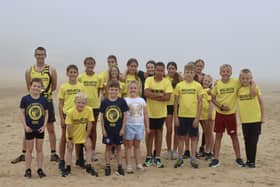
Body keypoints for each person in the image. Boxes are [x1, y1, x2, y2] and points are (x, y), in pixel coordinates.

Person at [12, 47, 59, 164]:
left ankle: (53, 153)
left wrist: (43, 96)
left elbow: (53, 86)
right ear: (35, 55)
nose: (40, 56)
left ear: (45, 55)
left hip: (46, 101)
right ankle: (23, 153)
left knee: (50, 128)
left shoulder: (51, 69)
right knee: (28, 128)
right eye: (38, 54)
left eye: (42, 54)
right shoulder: (29, 70)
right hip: (33, 103)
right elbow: (29, 86)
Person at [209, 64, 245, 167]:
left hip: (231, 115)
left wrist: (253, 84)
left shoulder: (236, 82)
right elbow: (212, 98)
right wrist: (220, 106)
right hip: (220, 114)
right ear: (220, 73)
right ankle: (216, 159)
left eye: (227, 71)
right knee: (218, 136)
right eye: (223, 71)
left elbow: (247, 81)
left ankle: (238, 158)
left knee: (234, 136)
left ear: (231, 73)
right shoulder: (217, 84)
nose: (225, 73)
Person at [143, 62, 173, 168]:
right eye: (157, 70)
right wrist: (159, 95)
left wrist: (153, 96)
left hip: (161, 113)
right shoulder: (148, 80)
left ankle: (158, 157)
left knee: (159, 134)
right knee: (149, 134)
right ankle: (148, 156)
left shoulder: (167, 82)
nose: (159, 72)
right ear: (154, 70)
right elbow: (146, 93)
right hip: (149, 113)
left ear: (163, 71)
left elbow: (167, 97)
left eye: (161, 70)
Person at [173, 63, 203, 169]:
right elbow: (176, 103)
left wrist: (197, 118)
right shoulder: (179, 85)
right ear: (184, 73)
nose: (189, 74)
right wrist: (175, 117)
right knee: (181, 137)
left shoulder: (198, 86)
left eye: (191, 72)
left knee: (194, 138)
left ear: (194, 73)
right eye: (187, 72)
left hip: (193, 117)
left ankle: (193, 158)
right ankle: (180, 158)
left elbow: (200, 103)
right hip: (181, 116)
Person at [62, 92, 98, 177]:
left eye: (83, 103)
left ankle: (88, 166)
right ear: (75, 102)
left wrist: (86, 136)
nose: (81, 104)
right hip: (72, 134)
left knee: (89, 145)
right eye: (79, 102)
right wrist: (70, 139)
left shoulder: (89, 110)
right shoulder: (70, 112)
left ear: (86, 103)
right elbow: (69, 126)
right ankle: (68, 167)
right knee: (70, 148)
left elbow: (90, 124)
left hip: (83, 134)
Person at [58, 64, 85, 171]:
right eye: (71, 72)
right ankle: (62, 160)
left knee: (78, 137)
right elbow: (60, 103)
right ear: (67, 73)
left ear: (77, 74)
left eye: (74, 72)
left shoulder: (81, 86)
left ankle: (79, 159)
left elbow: (83, 101)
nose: (73, 74)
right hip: (66, 114)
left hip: (78, 114)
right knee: (64, 138)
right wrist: (61, 118)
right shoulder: (64, 87)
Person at [20, 78, 48, 178]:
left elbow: (46, 114)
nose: (36, 88)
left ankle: (40, 169)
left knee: (39, 149)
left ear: (41, 88)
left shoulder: (44, 99)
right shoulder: (25, 99)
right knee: (29, 150)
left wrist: (44, 126)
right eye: (34, 86)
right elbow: (22, 113)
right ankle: (28, 169)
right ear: (30, 86)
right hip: (29, 129)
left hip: (40, 129)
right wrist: (25, 126)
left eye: (39, 86)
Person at [100, 80, 129, 176]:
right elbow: (102, 117)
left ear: (119, 90)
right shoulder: (104, 102)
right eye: (111, 89)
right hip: (108, 130)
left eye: (115, 89)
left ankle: (120, 166)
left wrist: (123, 129)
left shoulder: (122, 101)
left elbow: (125, 116)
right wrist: (103, 129)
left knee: (118, 148)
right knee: (108, 148)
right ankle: (107, 166)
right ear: (108, 90)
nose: (113, 91)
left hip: (118, 130)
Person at [237, 69, 263, 168]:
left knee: (253, 141)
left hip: (255, 119)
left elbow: (260, 102)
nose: (245, 80)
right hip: (245, 120)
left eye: (247, 78)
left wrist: (262, 117)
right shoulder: (239, 89)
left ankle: (252, 162)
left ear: (251, 79)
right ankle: (248, 160)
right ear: (240, 78)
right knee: (247, 140)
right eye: (243, 78)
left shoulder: (255, 87)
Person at [78, 57, 102, 161]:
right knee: (82, 128)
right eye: (88, 63)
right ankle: (82, 152)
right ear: (85, 64)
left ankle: (92, 151)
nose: (90, 65)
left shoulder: (98, 77)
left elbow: (97, 92)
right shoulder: (81, 77)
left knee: (93, 129)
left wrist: (94, 102)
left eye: (92, 63)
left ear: (94, 65)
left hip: (95, 106)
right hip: (83, 107)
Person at [124, 80, 149, 173]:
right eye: (131, 88)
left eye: (135, 88)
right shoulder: (125, 100)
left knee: (137, 145)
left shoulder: (142, 100)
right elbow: (123, 115)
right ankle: (129, 165)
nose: (133, 90)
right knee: (128, 146)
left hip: (140, 126)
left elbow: (146, 114)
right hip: (129, 126)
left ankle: (138, 164)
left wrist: (147, 127)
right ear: (128, 89)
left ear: (138, 89)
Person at [165, 62, 182, 160]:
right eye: (169, 68)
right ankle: (168, 150)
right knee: (169, 130)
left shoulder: (179, 80)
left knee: (176, 129)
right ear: (167, 69)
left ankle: (175, 150)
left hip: (177, 106)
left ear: (176, 69)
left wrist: (179, 75)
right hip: (167, 106)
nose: (171, 70)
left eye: (173, 68)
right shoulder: (164, 78)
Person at [200, 74, 215, 160]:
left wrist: (209, 114)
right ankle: (206, 150)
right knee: (206, 132)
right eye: (205, 81)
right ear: (202, 81)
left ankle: (211, 151)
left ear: (210, 83)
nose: (206, 82)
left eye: (208, 81)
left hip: (208, 115)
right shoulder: (201, 90)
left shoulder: (209, 90)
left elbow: (211, 103)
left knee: (209, 133)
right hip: (202, 115)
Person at [194, 59, 206, 157]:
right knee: (195, 130)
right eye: (197, 65)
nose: (199, 67)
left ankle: (203, 147)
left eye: (201, 66)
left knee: (206, 129)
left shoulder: (205, 76)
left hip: (204, 105)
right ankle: (194, 150)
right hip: (193, 105)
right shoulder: (191, 76)